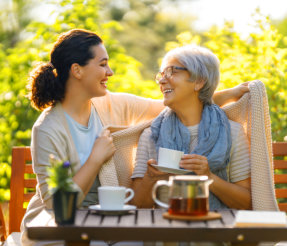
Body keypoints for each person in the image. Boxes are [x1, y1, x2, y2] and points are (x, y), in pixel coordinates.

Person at [21, 29, 249, 245]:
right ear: (77, 70)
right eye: (103, 64)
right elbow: (57, 206)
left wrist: (226, 94)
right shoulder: (48, 129)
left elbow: (174, 104)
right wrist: (94, 160)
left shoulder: (111, 104)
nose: (110, 72)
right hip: (57, 228)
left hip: (108, 222)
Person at [131, 45, 252, 210]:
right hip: (167, 231)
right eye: (162, 74)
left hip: (217, 230)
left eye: (172, 71)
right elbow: (137, 207)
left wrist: (208, 177)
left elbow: (247, 203)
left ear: (199, 81)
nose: (161, 80)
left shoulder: (232, 132)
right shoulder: (152, 134)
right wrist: (150, 178)